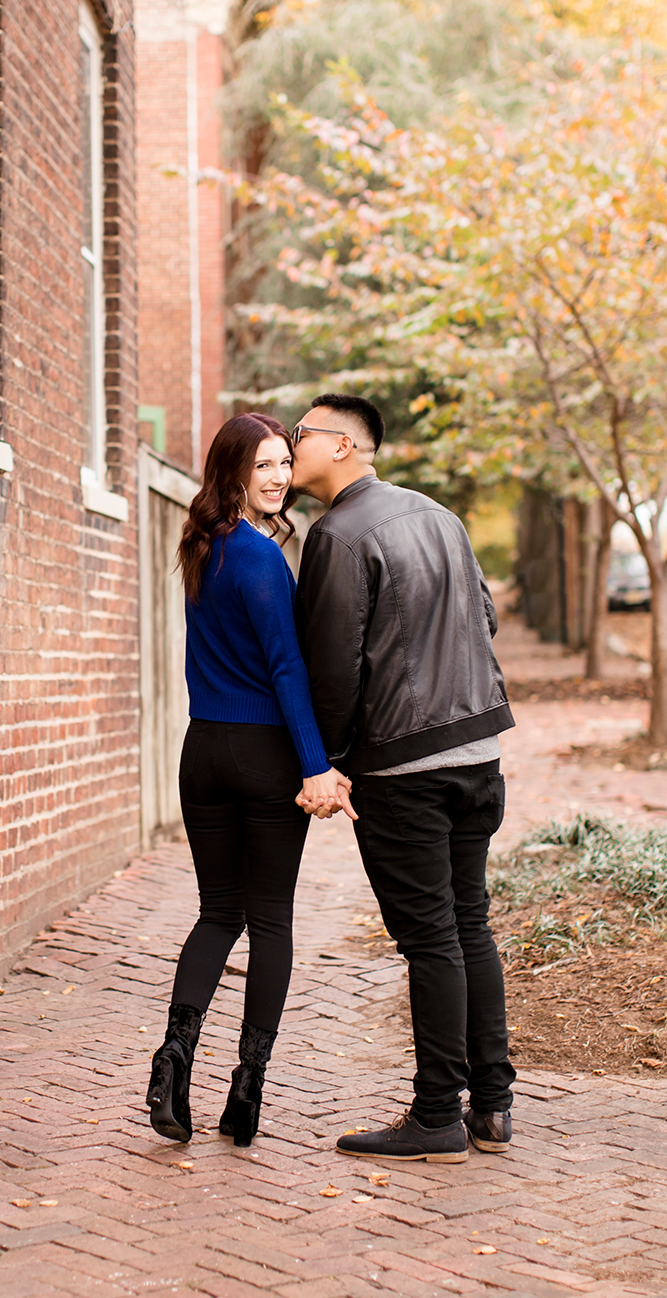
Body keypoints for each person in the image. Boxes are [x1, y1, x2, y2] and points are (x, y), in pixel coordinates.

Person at [290, 393, 516, 1164]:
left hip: (403, 766)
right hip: (477, 754)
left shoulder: (338, 533)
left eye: (302, 435)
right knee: (468, 924)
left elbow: (332, 665)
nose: (291, 446)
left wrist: (327, 759)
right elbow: (482, 615)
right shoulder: (438, 515)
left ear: (345, 446)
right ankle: (490, 1107)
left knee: (430, 938)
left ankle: (434, 1116)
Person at [146, 412, 355, 1149]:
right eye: (261, 465)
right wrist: (314, 765)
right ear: (231, 472)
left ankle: (172, 1058)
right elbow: (285, 667)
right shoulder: (263, 559)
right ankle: (247, 1086)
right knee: (267, 918)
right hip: (265, 755)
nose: (276, 477)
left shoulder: (200, 547)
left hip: (203, 750)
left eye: (281, 464)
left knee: (215, 913)